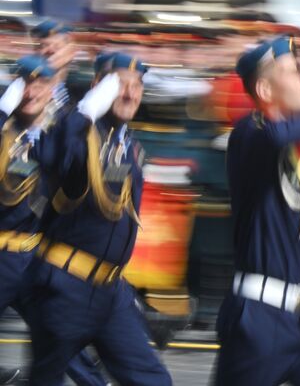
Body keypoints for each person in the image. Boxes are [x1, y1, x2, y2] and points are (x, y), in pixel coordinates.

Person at [212, 36, 300, 386]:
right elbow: (273, 138)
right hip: (258, 321)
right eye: (292, 71)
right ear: (264, 88)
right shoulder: (249, 133)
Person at [26, 52, 171, 385]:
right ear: (98, 88)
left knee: (153, 380)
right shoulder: (77, 134)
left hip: (111, 292)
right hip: (66, 288)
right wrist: (87, 108)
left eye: (137, 86)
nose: (130, 94)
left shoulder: (128, 147)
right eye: (120, 84)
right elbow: (52, 156)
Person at [0, 57, 105, 386]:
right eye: (25, 84)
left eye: (41, 85)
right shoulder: (4, 132)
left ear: (51, 91)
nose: (32, 92)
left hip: (36, 258)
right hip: (2, 257)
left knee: (58, 335)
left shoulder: (56, 134)